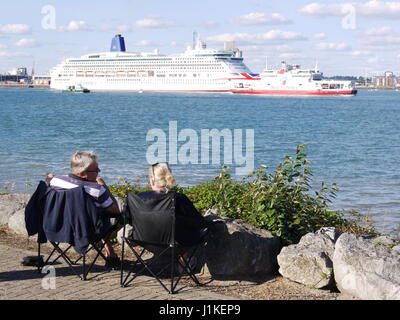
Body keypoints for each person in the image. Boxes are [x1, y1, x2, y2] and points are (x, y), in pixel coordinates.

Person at [47, 151, 121, 267]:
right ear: (82, 173)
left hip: (56, 225)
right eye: (96, 170)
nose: (99, 172)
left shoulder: (56, 181)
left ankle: (110, 253)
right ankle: (111, 254)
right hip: (83, 231)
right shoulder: (96, 190)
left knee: (94, 213)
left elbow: (49, 178)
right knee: (100, 216)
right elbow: (116, 211)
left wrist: (50, 177)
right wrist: (104, 186)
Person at [137, 162, 206, 271]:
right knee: (187, 228)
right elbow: (200, 223)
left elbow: (129, 219)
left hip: (144, 241)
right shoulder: (178, 199)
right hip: (173, 245)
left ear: (152, 179)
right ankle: (183, 264)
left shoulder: (139, 198)